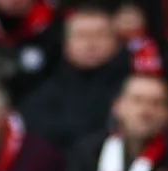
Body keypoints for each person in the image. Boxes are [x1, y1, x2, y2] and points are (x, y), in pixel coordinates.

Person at [18, 2, 130, 152]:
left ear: (116, 42)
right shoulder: (42, 97)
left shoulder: (133, 91)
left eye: (100, 35)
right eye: (82, 36)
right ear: (66, 45)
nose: (91, 44)